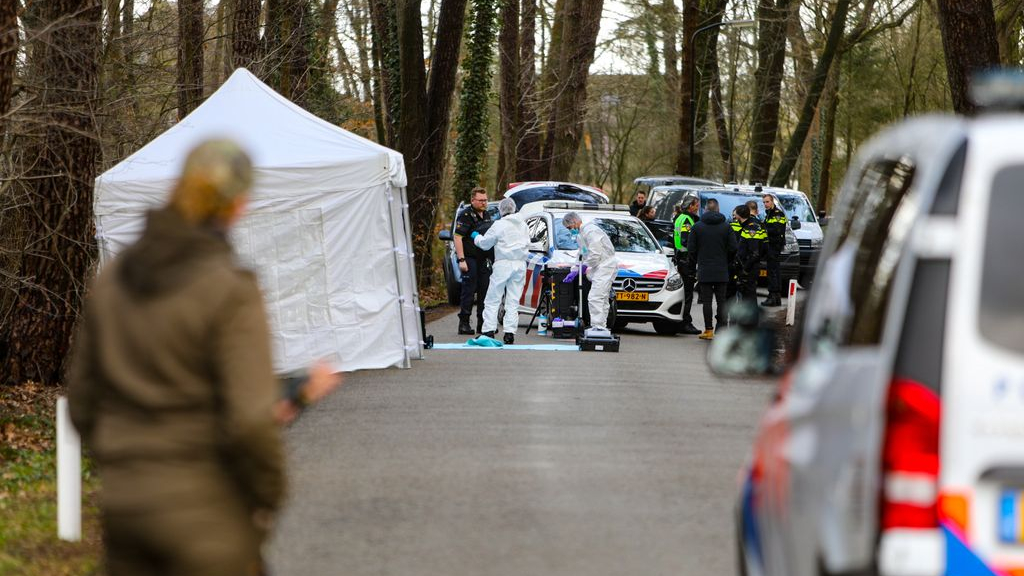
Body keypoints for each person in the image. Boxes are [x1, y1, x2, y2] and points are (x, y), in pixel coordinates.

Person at [67, 139, 342, 576]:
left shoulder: (114, 279)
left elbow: (81, 404)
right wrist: (267, 496)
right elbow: (249, 419)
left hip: (124, 509)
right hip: (206, 511)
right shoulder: (229, 287)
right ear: (236, 204)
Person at [471, 197, 529, 345]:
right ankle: (509, 333)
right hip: (520, 264)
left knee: (493, 298)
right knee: (513, 300)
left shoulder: (499, 224)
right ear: (514, 208)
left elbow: (485, 244)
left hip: (503, 263)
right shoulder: (523, 225)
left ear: (501, 210)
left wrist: (476, 237)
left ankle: (489, 330)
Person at [686, 198, 737, 340]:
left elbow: (691, 249)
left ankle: (708, 330)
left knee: (707, 302)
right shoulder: (727, 227)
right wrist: (726, 260)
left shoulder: (697, 227)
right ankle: (721, 329)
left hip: (704, 268)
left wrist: (695, 264)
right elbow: (734, 248)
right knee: (722, 301)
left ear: (706, 209)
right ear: (718, 209)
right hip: (722, 269)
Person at [562, 212, 619, 334]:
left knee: (596, 296)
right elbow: (581, 255)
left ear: (574, 221)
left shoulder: (591, 231)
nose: (570, 230)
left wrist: (585, 266)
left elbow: (595, 254)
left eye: (569, 227)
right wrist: (574, 270)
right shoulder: (581, 235)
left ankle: (598, 326)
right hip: (600, 267)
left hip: (605, 265)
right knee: (601, 297)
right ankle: (601, 326)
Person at [454, 187, 494, 334]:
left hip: (484, 259)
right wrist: (461, 259)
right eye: (481, 200)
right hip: (469, 258)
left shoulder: (487, 215)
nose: (484, 203)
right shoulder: (465, 215)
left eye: (485, 200)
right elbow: (457, 237)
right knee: (469, 291)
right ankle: (464, 323)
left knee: (485, 291)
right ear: (473, 200)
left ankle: (482, 324)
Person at [672, 194, 701, 335]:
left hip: (681, 258)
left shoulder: (679, 217)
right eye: (696, 205)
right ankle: (685, 322)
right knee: (688, 293)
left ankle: (683, 320)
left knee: (685, 292)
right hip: (687, 260)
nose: (698, 208)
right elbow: (686, 241)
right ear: (690, 206)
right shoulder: (687, 221)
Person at [734, 204, 767, 303]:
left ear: (739, 216)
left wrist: (745, 270)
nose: (734, 218)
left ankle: (751, 319)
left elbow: (755, 253)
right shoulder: (748, 226)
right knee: (746, 297)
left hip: (749, 268)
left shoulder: (751, 228)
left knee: (749, 297)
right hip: (747, 266)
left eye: (735, 215)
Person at [762, 193, 788, 307]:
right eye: (764, 202)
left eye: (767, 202)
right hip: (771, 247)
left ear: (772, 202)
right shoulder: (769, 214)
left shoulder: (777, 214)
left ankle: (773, 297)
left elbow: (777, 230)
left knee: (773, 272)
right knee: (773, 271)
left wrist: (764, 229)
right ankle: (775, 297)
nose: (765, 204)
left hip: (774, 246)